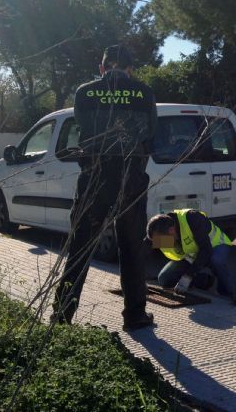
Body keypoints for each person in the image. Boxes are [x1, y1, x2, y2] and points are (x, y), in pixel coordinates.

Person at [52, 44, 157, 331]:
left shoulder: (85, 92)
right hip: (131, 178)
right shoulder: (144, 92)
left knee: (81, 247)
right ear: (130, 69)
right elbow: (150, 135)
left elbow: (83, 130)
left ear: (102, 68)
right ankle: (135, 316)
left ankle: (62, 315)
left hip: (94, 177)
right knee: (132, 247)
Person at [147, 209, 233, 296]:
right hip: (192, 253)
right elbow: (144, 247)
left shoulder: (193, 218)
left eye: (161, 240)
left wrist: (188, 275)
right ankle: (205, 280)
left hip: (216, 245)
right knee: (165, 279)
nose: (159, 243)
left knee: (216, 261)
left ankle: (225, 293)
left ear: (172, 230)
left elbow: (206, 250)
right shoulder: (160, 231)